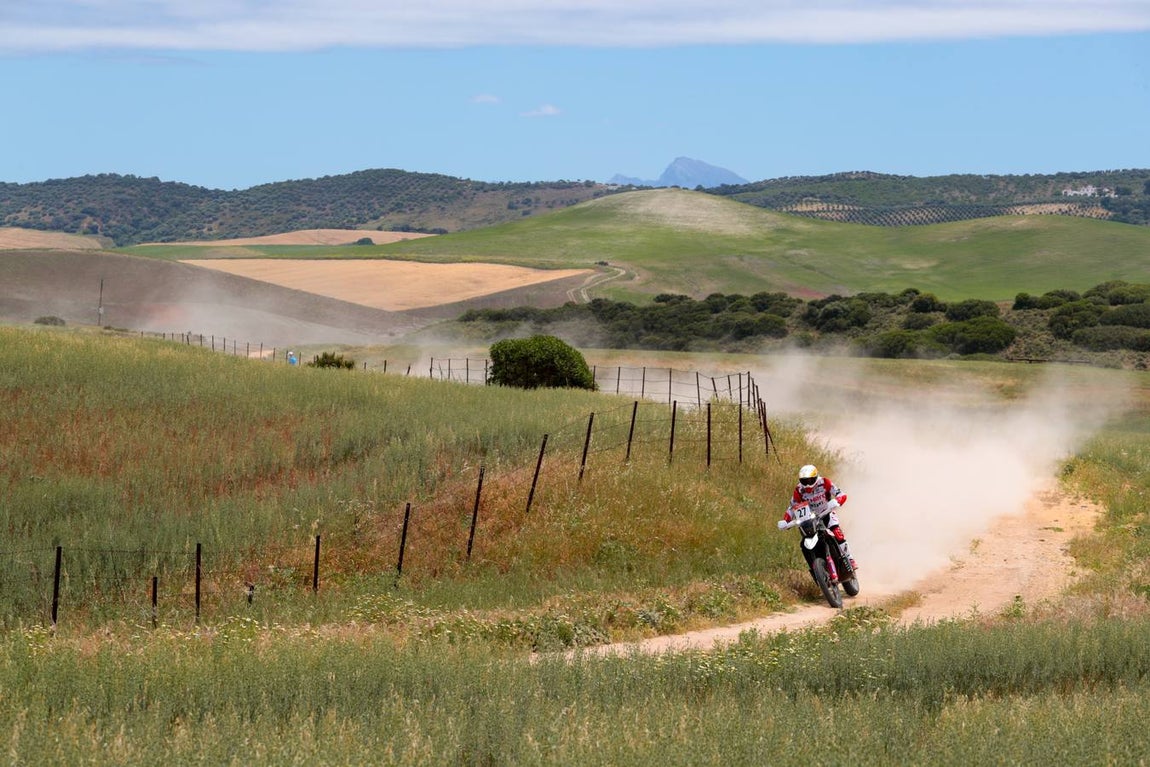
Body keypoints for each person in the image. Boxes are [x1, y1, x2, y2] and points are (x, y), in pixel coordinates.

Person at [782, 464, 857, 573]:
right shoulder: (799, 490)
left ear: (816, 477)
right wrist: (785, 521)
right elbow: (792, 507)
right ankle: (816, 569)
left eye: (810, 480)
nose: (807, 485)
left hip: (826, 513)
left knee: (837, 531)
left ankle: (849, 558)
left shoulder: (825, 482)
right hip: (809, 520)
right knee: (805, 543)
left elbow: (841, 494)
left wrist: (837, 501)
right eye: (804, 481)